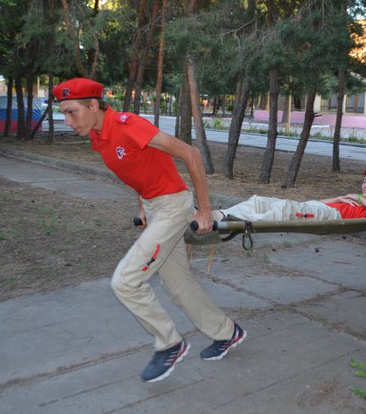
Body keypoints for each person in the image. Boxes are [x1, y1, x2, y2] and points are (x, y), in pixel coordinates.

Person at [53, 77, 245, 383]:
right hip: (156, 208)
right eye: (63, 113)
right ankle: (228, 332)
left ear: (93, 105)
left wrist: (204, 208)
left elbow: (191, 154)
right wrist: (143, 206)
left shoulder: (128, 125)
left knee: (126, 281)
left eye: (72, 112)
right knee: (177, 284)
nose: (67, 120)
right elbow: (135, 171)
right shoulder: (98, 136)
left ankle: (169, 343)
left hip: (174, 206)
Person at [216, 167, 366, 223]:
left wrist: (359, 198)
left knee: (284, 209)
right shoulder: (357, 198)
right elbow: (314, 204)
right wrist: (336, 199)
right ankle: (220, 214)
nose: (365, 185)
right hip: (318, 208)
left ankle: (235, 220)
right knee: (260, 200)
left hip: (331, 216)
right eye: (364, 181)